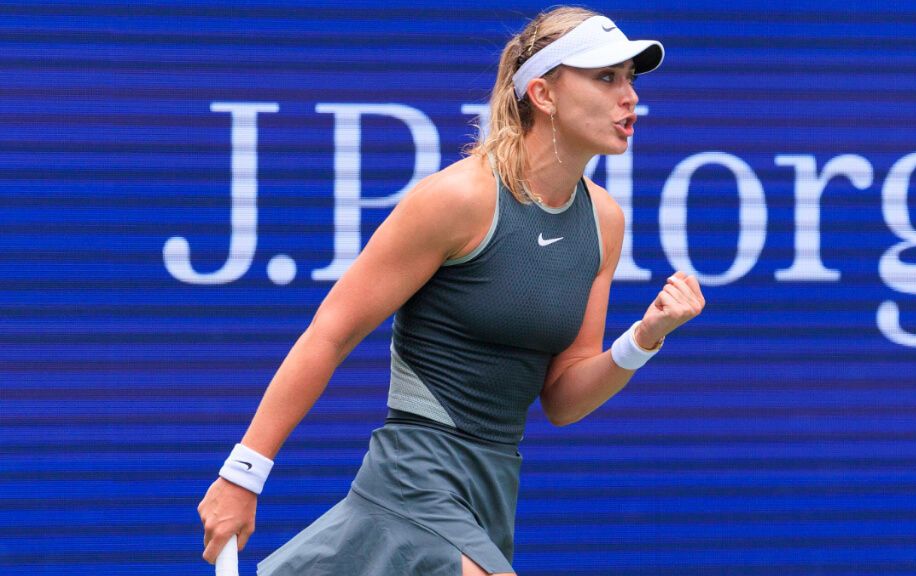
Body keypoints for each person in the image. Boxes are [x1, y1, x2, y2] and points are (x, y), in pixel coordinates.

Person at [198, 7, 705, 575]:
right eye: (606, 77)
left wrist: (644, 337)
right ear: (543, 94)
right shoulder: (458, 199)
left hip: (492, 487)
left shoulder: (604, 222)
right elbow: (331, 333)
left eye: (631, 78)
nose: (629, 96)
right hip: (413, 475)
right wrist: (242, 475)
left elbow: (562, 398)